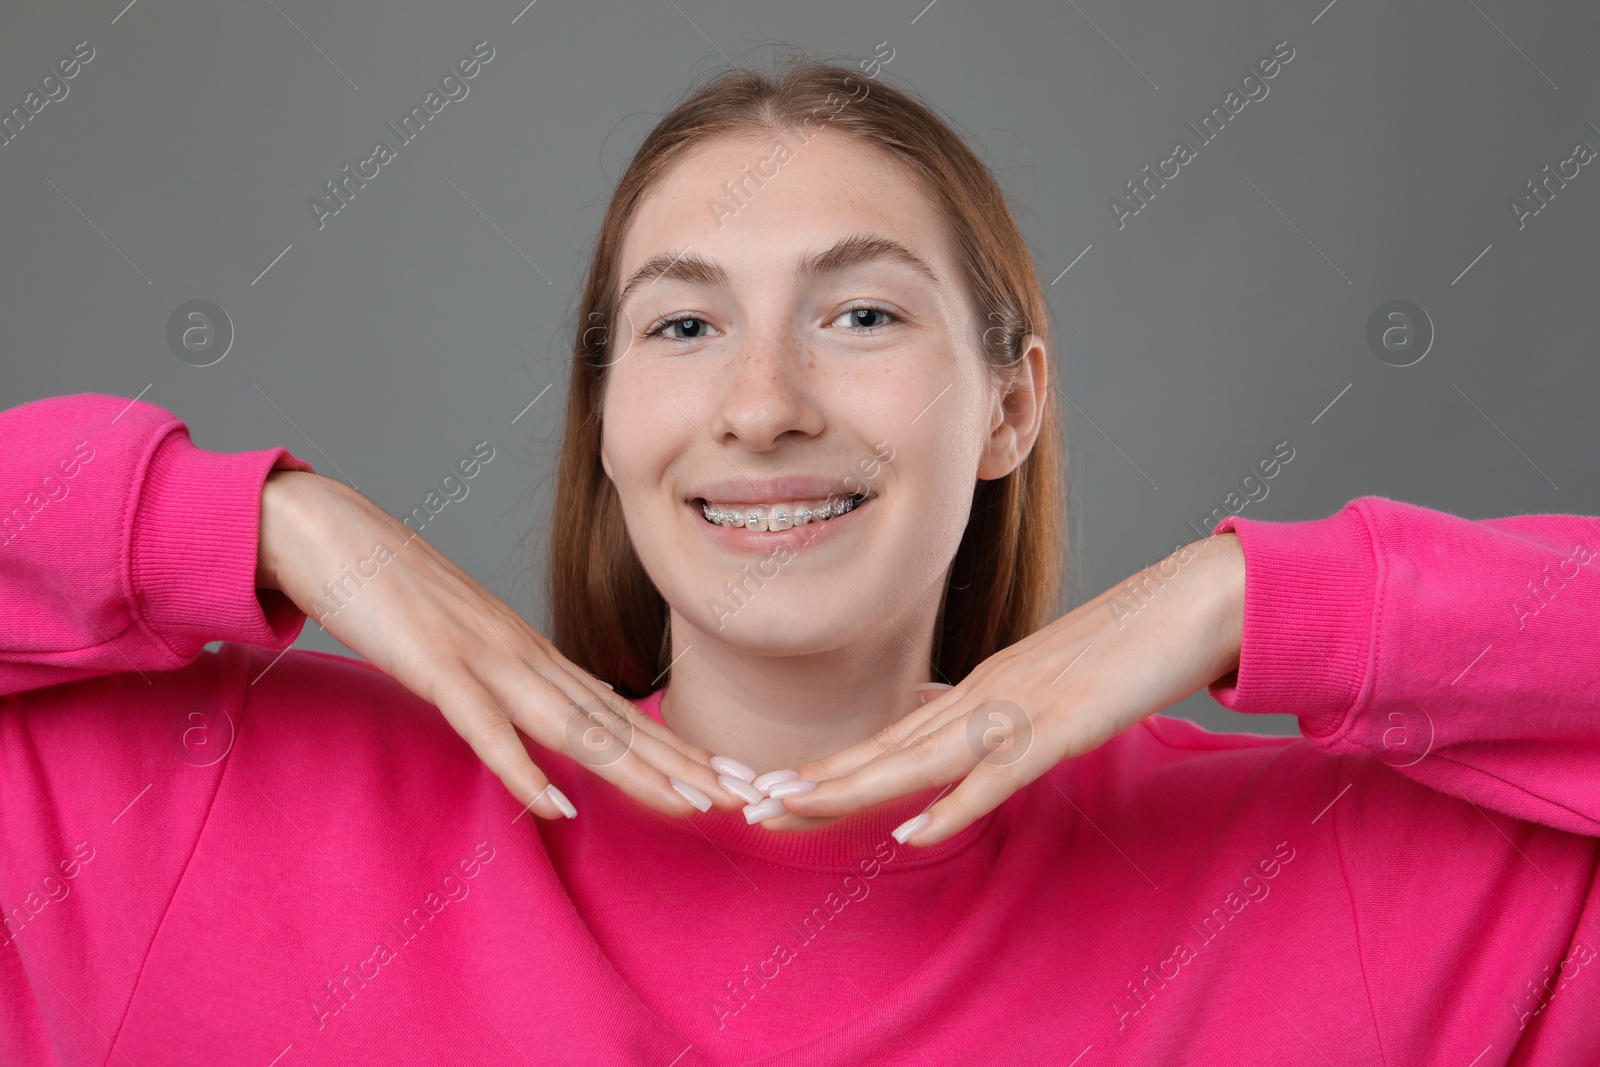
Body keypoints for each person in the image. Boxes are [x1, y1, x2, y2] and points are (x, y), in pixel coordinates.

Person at [2, 58, 1596, 1067]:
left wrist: (1249, 596)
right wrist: (270, 524)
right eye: (685, 327)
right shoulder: (200, 816)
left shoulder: (1341, 883)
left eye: (863, 315)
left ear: (1010, 406)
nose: (762, 407)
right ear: (608, 414)